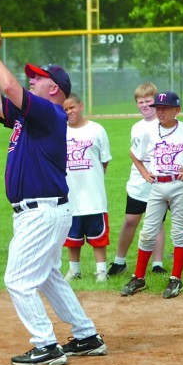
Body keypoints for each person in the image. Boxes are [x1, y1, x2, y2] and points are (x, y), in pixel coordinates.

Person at [0, 37, 106, 365]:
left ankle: (46, 345)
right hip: (42, 210)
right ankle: (86, 336)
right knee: (46, 277)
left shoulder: (48, 113)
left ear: (54, 88)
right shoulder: (29, 116)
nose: (32, 78)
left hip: (41, 211)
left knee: (18, 280)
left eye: (39, 76)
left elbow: (11, 86)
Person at [121, 91, 183, 299]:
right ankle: (139, 277)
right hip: (157, 186)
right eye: (158, 108)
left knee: (179, 232)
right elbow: (134, 153)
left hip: (179, 185)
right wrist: (145, 172)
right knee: (147, 232)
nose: (160, 111)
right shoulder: (150, 131)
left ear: (177, 110)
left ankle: (176, 278)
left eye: (165, 108)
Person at [107, 83, 167, 278]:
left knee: (156, 222)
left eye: (148, 101)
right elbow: (135, 154)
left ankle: (157, 264)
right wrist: (142, 173)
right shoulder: (137, 127)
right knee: (131, 219)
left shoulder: (164, 123)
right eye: (140, 102)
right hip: (138, 182)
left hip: (160, 181)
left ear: (156, 101)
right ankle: (119, 261)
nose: (144, 105)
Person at [61, 93, 112, 283]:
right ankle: (74, 270)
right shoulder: (60, 131)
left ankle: (101, 271)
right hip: (69, 195)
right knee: (72, 237)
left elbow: (104, 161)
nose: (69, 112)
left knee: (98, 237)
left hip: (93, 194)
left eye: (72, 107)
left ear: (81, 106)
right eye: (65, 109)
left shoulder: (96, 130)